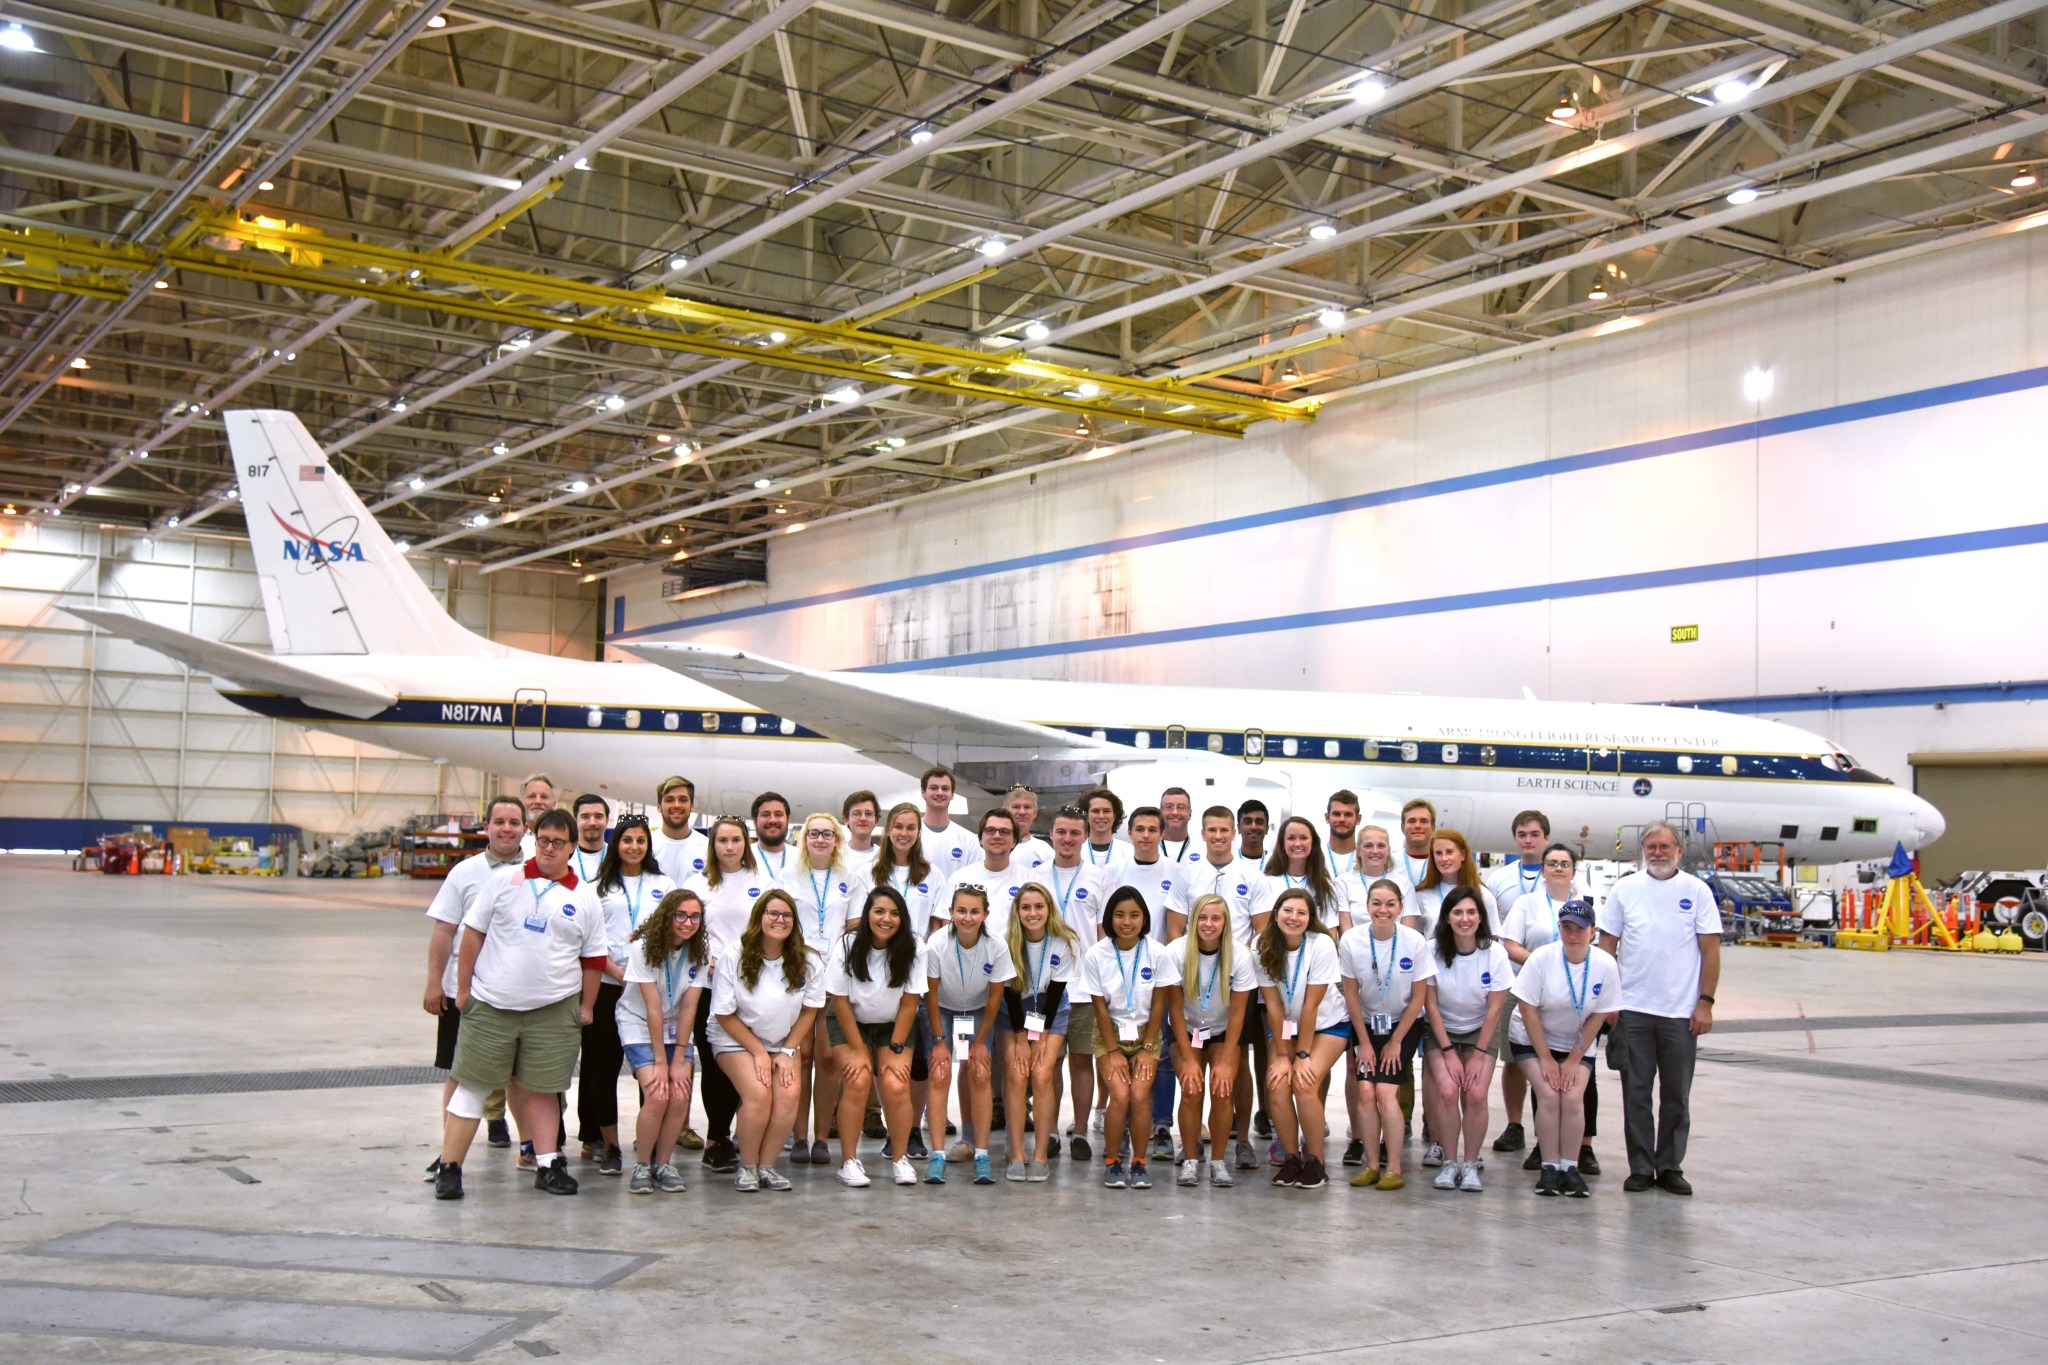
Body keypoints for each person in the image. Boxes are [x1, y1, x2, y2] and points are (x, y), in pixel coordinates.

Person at [432, 808, 605, 1200]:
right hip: (493, 1005)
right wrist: (463, 991)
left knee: (544, 1091)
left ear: (572, 848)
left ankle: (547, 1164)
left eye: (558, 843)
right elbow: (472, 935)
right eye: (543, 840)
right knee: (472, 1087)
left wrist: (587, 1007)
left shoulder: (584, 897)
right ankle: (449, 1167)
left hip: (554, 1010)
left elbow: (593, 959)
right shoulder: (502, 881)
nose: (548, 848)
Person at [1597, 822, 1721, 1197]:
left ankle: (1669, 1166)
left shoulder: (1697, 892)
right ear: (1642, 852)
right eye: (1651, 847)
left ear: (1679, 851)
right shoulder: (1625, 889)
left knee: (1676, 1095)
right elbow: (1606, 948)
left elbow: (1710, 952)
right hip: (1632, 1010)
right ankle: (1640, 1166)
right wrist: (1608, 1002)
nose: (1657, 853)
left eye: (1665, 846)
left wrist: (1705, 1003)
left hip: (1681, 1013)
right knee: (1635, 1093)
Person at [421, 796, 523, 1179]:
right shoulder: (465, 872)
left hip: (515, 993)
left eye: (514, 822)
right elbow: (444, 929)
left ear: (525, 829)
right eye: (499, 821)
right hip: (463, 992)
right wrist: (435, 983)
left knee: (521, 1077)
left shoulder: (539, 869)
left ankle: (533, 1150)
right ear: (486, 827)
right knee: (459, 1074)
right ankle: (449, 1150)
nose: (507, 828)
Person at [709, 889, 825, 1192]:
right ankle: (747, 1166)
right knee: (760, 1094)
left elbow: (811, 1009)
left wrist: (787, 1051)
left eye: (787, 915)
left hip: (783, 1040)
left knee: (788, 1096)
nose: (779, 920)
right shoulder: (734, 954)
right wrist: (759, 1052)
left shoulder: (807, 959)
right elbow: (724, 1014)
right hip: (735, 1038)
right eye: (772, 913)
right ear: (759, 917)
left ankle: (766, 1167)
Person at [1495, 841, 1598, 1168]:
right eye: (1552, 863)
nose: (1558, 868)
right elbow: (1509, 943)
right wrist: (1545, 963)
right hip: (1531, 986)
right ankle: (1538, 1140)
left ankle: (1583, 1147)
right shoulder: (1527, 903)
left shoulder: (1587, 901)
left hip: (1576, 996)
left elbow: (1596, 942)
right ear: (1543, 869)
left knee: (1576, 1073)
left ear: (1573, 869)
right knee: (1537, 1067)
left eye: (1564, 863)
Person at [1170, 804, 1261, 1168]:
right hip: (1191, 1016)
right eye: (1212, 830)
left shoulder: (1251, 876)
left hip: (1228, 1004)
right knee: (1191, 1087)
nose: (1219, 836)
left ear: (1233, 833)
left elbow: (1262, 929)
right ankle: (1189, 1151)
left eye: (1225, 830)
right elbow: (1176, 927)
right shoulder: (1188, 875)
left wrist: (1225, 1057)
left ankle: (1234, 1146)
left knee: (1228, 1082)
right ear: (1203, 833)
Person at [580, 810, 671, 1173]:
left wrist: (641, 975)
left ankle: (647, 1144)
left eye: (640, 840)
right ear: (615, 844)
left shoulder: (663, 884)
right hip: (608, 986)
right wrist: (619, 973)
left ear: (648, 845)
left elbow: (673, 932)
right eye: (627, 839)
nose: (633, 846)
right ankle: (609, 1143)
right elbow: (589, 940)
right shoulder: (596, 888)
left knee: (649, 1066)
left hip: (651, 990)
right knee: (602, 1067)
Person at [1511, 900, 1620, 1198]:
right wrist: (1545, 1058)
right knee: (1548, 1095)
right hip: (1531, 1039)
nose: (1573, 935)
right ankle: (1549, 1166)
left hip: (1577, 1042)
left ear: (1593, 932)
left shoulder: (1605, 965)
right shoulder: (1542, 959)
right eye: (1567, 927)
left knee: (1572, 1097)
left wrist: (1573, 1060)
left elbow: (1599, 1016)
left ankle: (1570, 1167)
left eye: (1580, 929)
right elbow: (1528, 1008)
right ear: (1559, 928)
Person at [823, 885, 928, 1188]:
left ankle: (899, 1156)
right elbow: (839, 1000)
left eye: (894, 913)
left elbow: (910, 1002)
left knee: (896, 1084)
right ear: (867, 914)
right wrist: (858, 1050)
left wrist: (896, 1048)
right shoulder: (848, 944)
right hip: (849, 1020)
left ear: (903, 918)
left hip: (893, 1024)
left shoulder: (914, 946)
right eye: (879, 911)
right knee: (857, 1079)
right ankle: (848, 1161)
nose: (886, 919)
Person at [680, 816, 767, 1173]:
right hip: (708, 986)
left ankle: (728, 1137)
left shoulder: (761, 882)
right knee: (715, 1065)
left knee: (740, 1063)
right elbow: (684, 931)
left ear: (745, 844)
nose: (730, 847)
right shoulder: (697, 884)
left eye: (736, 840)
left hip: (751, 987)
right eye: (722, 841)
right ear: (712, 846)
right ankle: (717, 1139)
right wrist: (709, 961)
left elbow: (773, 927)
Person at [1081, 887, 1181, 1189]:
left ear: (1144, 919)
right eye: (1120, 915)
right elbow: (1099, 1007)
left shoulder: (1158, 952)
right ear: (1110, 918)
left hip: (1145, 1034)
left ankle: (1139, 1162)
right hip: (1109, 1033)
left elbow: (1160, 1004)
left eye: (1135, 915)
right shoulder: (1097, 954)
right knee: (1120, 1095)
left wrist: (1148, 1048)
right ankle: (1112, 1162)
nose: (1127, 922)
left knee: (1139, 1096)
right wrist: (1111, 1052)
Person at [1336, 878, 1432, 1191]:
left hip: (1403, 1026)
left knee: (1385, 1092)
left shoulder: (1414, 941)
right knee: (1365, 1091)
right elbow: (1351, 994)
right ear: (1367, 907)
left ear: (1400, 908)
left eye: (1390, 904)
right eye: (1376, 903)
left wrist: (1395, 1042)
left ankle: (1394, 1168)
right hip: (1365, 1025)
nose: (1383, 910)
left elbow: (1419, 997)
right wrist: (1363, 1042)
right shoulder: (1351, 940)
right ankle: (1372, 1165)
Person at [1422, 886, 1513, 1193]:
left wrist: (1478, 1053)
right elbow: (1430, 1004)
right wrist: (1447, 1050)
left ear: (1481, 917)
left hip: (1480, 1031)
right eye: (1458, 912)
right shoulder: (1432, 950)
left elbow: (1495, 1007)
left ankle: (1470, 1163)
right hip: (1441, 1030)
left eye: (1471, 912)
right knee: (1448, 1092)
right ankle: (1449, 1163)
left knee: (1474, 1094)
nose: (1465, 918)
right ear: (1447, 918)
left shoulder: (1495, 952)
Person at [1252, 888, 1345, 1189]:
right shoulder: (1261, 945)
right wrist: (1282, 1056)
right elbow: (1274, 1005)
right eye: (1288, 911)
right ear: (1276, 913)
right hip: (1286, 1025)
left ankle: (1316, 1162)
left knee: (1305, 1084)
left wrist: (1301, 1056)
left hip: (1327, 1024)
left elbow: (1312, 1005)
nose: (1294, 917)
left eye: (1301, 912)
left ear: (1310, 918)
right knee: (1277, 1083)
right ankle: (1291, 1157)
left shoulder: (1322, 945)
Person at [618, 888, 707, 1194]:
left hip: (676, 1028)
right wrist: (660, 1061)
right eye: (680, 915)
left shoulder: (699, 953)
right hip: (639, 1023)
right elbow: (653, 1006)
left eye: (695, 916)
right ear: (667, 916)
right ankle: (643, 1164)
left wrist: (681, 1057)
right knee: (657, 1094)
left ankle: (664, 1163)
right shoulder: (643, 949)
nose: (688, 922)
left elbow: (690, 1006)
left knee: (680, 1094)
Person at [924, 884, 1013, 1185]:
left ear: (986, 914)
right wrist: (938, 1042)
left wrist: (980, 1044)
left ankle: (982, 1153)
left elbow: (994, 998)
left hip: (977, 1012)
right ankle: (936, 1154)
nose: (967, 917)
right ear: (950, 912)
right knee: (938, 1073)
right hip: (944, 1010)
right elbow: (931, 996)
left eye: (975, 911)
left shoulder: (997, 945)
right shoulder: (936, 943)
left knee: (980, 1072)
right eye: (961, 911)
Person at [1167, 894, 1254, 1187]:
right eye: (1202, 918)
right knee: (1191, 1089)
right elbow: (1175, 1011)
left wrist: (1228, 1060)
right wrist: (1189, 1059)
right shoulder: (1177, 952)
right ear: (1192, 921)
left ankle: (1218, 1160)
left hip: (1222, 1031)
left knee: (1221, 1089)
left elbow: (1239, 1013)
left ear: (1226, 922)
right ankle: (1191, 1158)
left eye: (1216, 918)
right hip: (1186, 1030)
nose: (1208, 924)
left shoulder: (1239, 955)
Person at [1041, 805, 1110, 1157]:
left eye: (1074, 833)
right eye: (1061, 832)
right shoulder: (1035, 875)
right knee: (1048, 1062)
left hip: (1084, 988)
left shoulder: (1099, 877)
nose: (1067, 839)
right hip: (1044, 988)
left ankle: (1080, 1131)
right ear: (1050, 835)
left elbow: (1103, 938)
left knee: (1082, 1061)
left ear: (1085, 837)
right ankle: (1050, 1132)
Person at [1000, 883, 1081, 1180]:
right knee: (1018, 1074)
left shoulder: (1065, 941)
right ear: (1017, 911)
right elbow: (1009, 994)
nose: (1032, 913)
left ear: (1049, 909)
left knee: (1043, 1073)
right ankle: (1017, 1153)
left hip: (1051, 1010)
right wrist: (1022, 1040)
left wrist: (1042, 1037)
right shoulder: (1006, 943)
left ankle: (1041, 1155)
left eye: (1039, 907)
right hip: (1014, 1013)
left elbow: (1057, 992)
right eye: (1026, 908)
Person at [792, 814, 860, 1167]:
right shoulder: (789, 875)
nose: (820, 839)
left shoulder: (849, 878)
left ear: (837, 840)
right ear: (804, 839)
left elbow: (853, 928)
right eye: (814, 833)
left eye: (827, 834)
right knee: (799, 1058)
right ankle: (798, 1137)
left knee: (828, 1058)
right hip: (797, 977)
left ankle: (821, 1137)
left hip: (834, 978)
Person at [1122, 805, 1182, 1161]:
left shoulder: (1177, 872)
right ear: (1128, 834)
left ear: (1162, 834)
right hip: (1122, 978)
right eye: (1139, 829)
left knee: (1160, 1056)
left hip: (1160, 976)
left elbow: (1177, 926)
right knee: (1124, 1054)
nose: (1145, 835)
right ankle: (1127, 1123)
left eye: (1152, 829)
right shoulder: (1113, 871)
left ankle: (1161, 1126)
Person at [1250, 815, 1348, 935]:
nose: (1297, 843)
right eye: (1291, 838)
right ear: (1282, 844)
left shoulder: (1325, 885)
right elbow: (1263, 930)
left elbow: (1330, 932)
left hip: (1314, 952)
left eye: (1303, 838)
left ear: (1312, 844)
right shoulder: (1266, 882)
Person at [946, 809, 1036, 939]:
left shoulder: (1030, 880)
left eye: (1004, 831)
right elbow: (946, 924)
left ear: (1014, 840)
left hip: (1016, 956)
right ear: (981, 839)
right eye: (990, 830)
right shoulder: (959, 878)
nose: (997, 836)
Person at [1404, 830, 1500, 937]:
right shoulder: (1421, 895)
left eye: (1449, 852)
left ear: (1463, 855)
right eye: (1438, 853)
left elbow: (1494, 937)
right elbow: (1415, 937)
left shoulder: (1483, 895)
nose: (1444, 858)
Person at [1483, 810, 1554, 914]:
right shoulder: (1497, 878)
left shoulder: (1565, 877)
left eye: (1534, 834)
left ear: (1546, 839)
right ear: (1515, 840)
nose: (1528, 840)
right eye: (1522, 835)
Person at [649, 775, 708, 884]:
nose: (676, 805)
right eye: (669, 800)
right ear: (658, 806)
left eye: (683, 799)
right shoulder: (647, 846)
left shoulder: (707, 847)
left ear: (692, 806)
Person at [918, 766, 978, 871]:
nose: (940, 793)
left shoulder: (969, 841)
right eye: (934, 788)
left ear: (952, 794)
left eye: (945, 788)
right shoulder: (911, 835)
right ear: (923, 792)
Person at [750, 791, 799, 893]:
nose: (772, 820)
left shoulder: (801, 858)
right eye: (765, 814)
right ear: (755, 820)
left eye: (778, 814)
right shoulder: (743, 856)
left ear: (787, 820)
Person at [1390, 798, 1436, 896]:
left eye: (1423, 821)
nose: (1417, 826)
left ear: (1433, 828)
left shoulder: (1441, 863)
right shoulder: (1389, 863)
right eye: (1412, 821)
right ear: (1402, 828)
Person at [1080, 786, 1132, 872]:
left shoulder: (1129, 852)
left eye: (1106, 811)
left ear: (1114, 816)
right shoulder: (1077, 851)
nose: (1101, 816)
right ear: (1086, 816)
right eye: (1095, 811)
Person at [1008, 785, 1053, 869]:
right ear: (1006, 811)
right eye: (1016, 807)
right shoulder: (993, 847)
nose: (1022, 812)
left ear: (1035, 813)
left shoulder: (1045, 851)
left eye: (1027, 807)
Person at [1158, 787, 1202, 866]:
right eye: (1169, 807)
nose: (1175, 812)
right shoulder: (1148, 847)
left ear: (1190, 814)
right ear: (1160, 812)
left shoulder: (1204, 849)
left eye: (1181, 807)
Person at [517, 772, 556, 858]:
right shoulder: (512, 839)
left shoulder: (564, 840)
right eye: (532, 796)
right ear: (520, 803)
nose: (538, 801)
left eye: (544, 797)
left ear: (554, 805)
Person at [1323, 791, 1362, 879]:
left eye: (1348, 814)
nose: (1342, 819)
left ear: (1358, 819)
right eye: (1336, 814)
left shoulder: (1365, 858)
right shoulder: (1315, 856)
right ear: (1327, 818)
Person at [841, 790, 880, 860]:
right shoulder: (836, 855)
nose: (863, 818)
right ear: (846, 820)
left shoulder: (884, 857)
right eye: (856, 813)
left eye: (868, 814)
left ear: (876, 821)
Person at [1235, 799, 1270, 864]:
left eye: (1259, 822)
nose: (1253, 827)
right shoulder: (1226, 861)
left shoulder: (1277, 862)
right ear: (1239, 828)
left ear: (1267, 829)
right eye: (1247, 821)